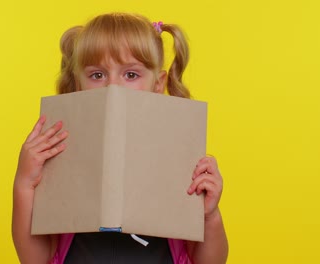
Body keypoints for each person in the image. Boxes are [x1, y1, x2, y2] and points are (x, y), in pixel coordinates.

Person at [12, 12, 228, 264]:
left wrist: (210, 216)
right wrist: (24, 184)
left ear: (158, 84)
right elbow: (34, 260)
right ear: (78, 83)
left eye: (131, 75)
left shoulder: (179, 157)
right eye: (97, 75)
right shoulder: (59, 152)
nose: (112, 87)